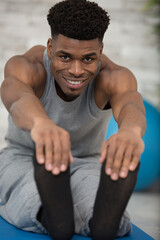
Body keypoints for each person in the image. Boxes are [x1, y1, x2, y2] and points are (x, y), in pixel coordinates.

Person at [0, 0, 146, 239]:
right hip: (24, 157)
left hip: (86, 162)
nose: (76, 71)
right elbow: (16, 98)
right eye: (65, 57)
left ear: (100, 51)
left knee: (100, 211)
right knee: (31, 199)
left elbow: (130, 103)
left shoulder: (114, 76)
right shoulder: (27, 66)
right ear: (49, 48)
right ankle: (55, 217)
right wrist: (41, 124)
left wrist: (130, 132)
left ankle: (102, 225)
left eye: (88, 59)